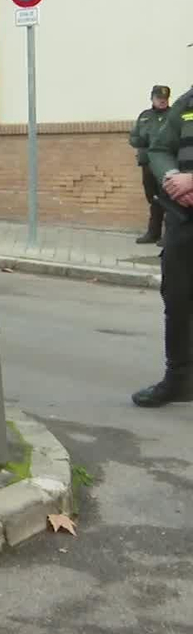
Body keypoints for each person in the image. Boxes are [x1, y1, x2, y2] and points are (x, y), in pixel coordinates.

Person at [136, 85, 193, 408]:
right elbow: (159, 148)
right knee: (178, 298)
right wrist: (172, 177)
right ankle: (180, 380)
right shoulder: (187, 102)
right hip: (183, 218)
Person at [131, 86, 173, 245]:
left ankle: (169, 235)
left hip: (165, 163)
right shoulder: (145, 116)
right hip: (148, 163)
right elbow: (134, 137)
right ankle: (153, 232)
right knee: (153, 198)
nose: (162, 101)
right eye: (159, 98)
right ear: (152, 98)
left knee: (168, 198)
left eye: (165, 98)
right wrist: (142, 141)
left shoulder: (173, 115)